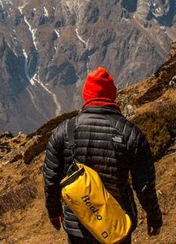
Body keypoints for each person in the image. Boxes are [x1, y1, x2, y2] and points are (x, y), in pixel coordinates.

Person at [43, 67, 163, 243]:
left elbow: (51, 177)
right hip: (116, 223)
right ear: (112, 96)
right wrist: (154, 217)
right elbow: (144, 184)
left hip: (78, 222)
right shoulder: (130, 133)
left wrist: (54, 211)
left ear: (86, 95)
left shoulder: (64, 131)